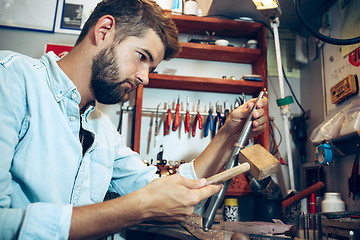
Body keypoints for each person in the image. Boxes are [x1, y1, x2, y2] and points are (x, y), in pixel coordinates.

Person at [0, 0, 268, 239]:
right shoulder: (11, 79)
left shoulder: (101, 130)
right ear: (104, 30)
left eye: (151, 68)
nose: (145, 77)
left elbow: (169, 190)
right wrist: (137, 207)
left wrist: (227, 135)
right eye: (142, 57)